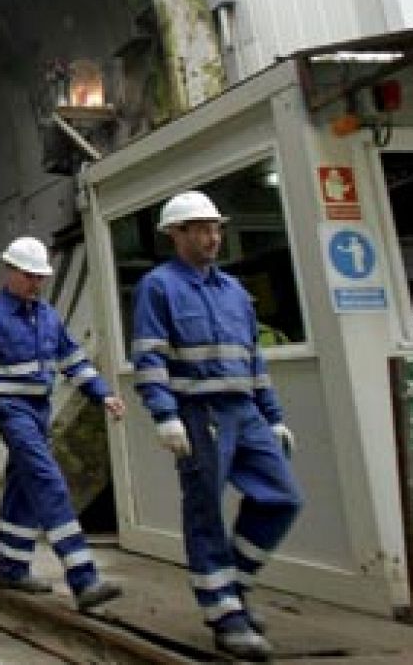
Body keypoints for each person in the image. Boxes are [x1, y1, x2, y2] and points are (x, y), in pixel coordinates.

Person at [132, 191, 302, 661]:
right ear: (176, 235)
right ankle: (224, 615)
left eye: (217, 228)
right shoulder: (159, 287)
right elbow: (149, 356)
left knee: (283, 497)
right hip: (199, 413)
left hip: (245, 412)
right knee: (205, 509)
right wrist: (165, 414)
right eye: (202, 229)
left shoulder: (234, 292)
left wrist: (273, 416)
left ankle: (236, 585)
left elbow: (255, 358)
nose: (213, 237)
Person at [0, 236, 125, 611]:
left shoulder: (48, 316)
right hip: (11, 411)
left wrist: (103, 394)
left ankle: (12, 568)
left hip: (40, 410)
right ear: (10, 271)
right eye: (29, 276)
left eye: (40, 277)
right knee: (47, 480)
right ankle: (84, 578)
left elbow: (74, 361)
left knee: (22, 485)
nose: (37, 283)